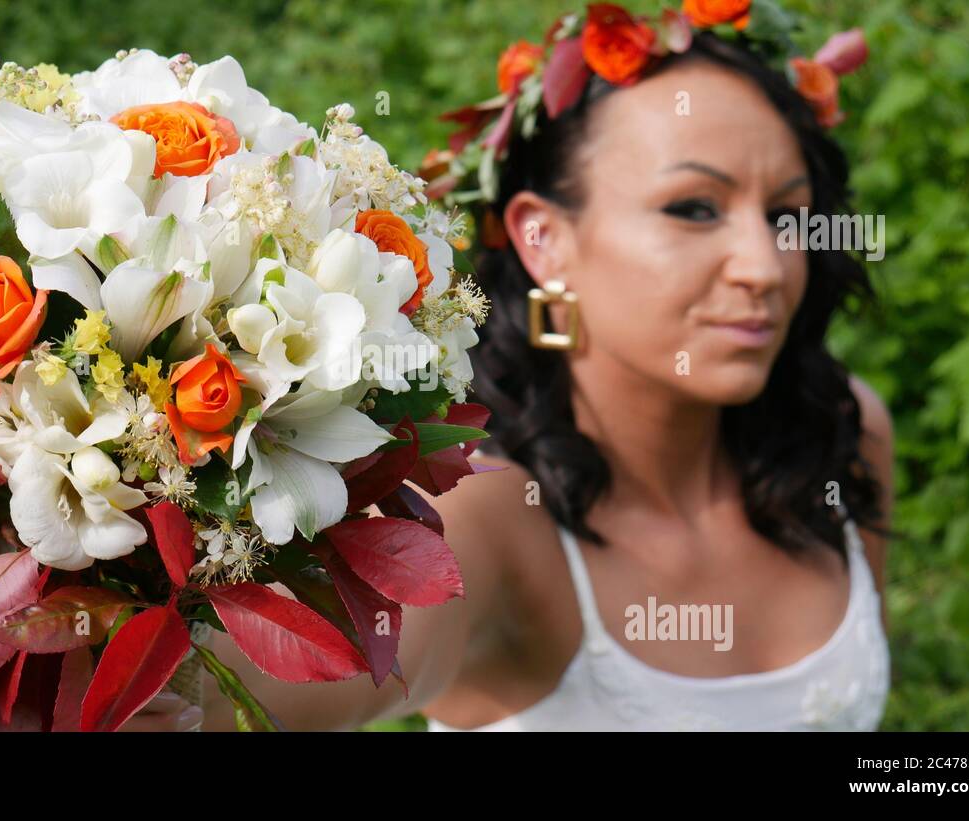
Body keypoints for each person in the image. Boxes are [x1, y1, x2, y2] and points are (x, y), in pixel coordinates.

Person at [124, 9, 894, 732]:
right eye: (695, 208)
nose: (764, 265)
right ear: (543, 237)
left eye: (787, 215)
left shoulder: (839, 437)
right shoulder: (493, 515)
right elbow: (316, 671)